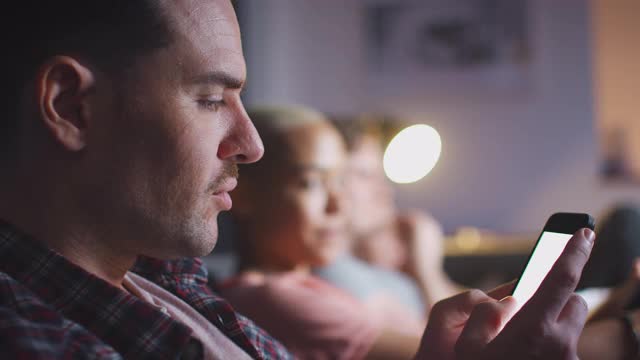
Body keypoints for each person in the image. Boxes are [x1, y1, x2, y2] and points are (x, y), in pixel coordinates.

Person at [0, 0, 600, 359]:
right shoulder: (33, 336)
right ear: (72, 107)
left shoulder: (170, 275)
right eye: (211, 99)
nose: (250, 144)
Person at [220, 105, 425, 359]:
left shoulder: (298, 285)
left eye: (340, 181)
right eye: (310, 183)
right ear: (244, 195)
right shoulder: (275, 301)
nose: (337, 205)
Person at [315, 116, 461, 313]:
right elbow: (452, 338)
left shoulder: (372, 269)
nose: (385, 191)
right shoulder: (335, 276)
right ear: (329, 181)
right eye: (365, 175)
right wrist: (426, 271)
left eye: (381, 176)